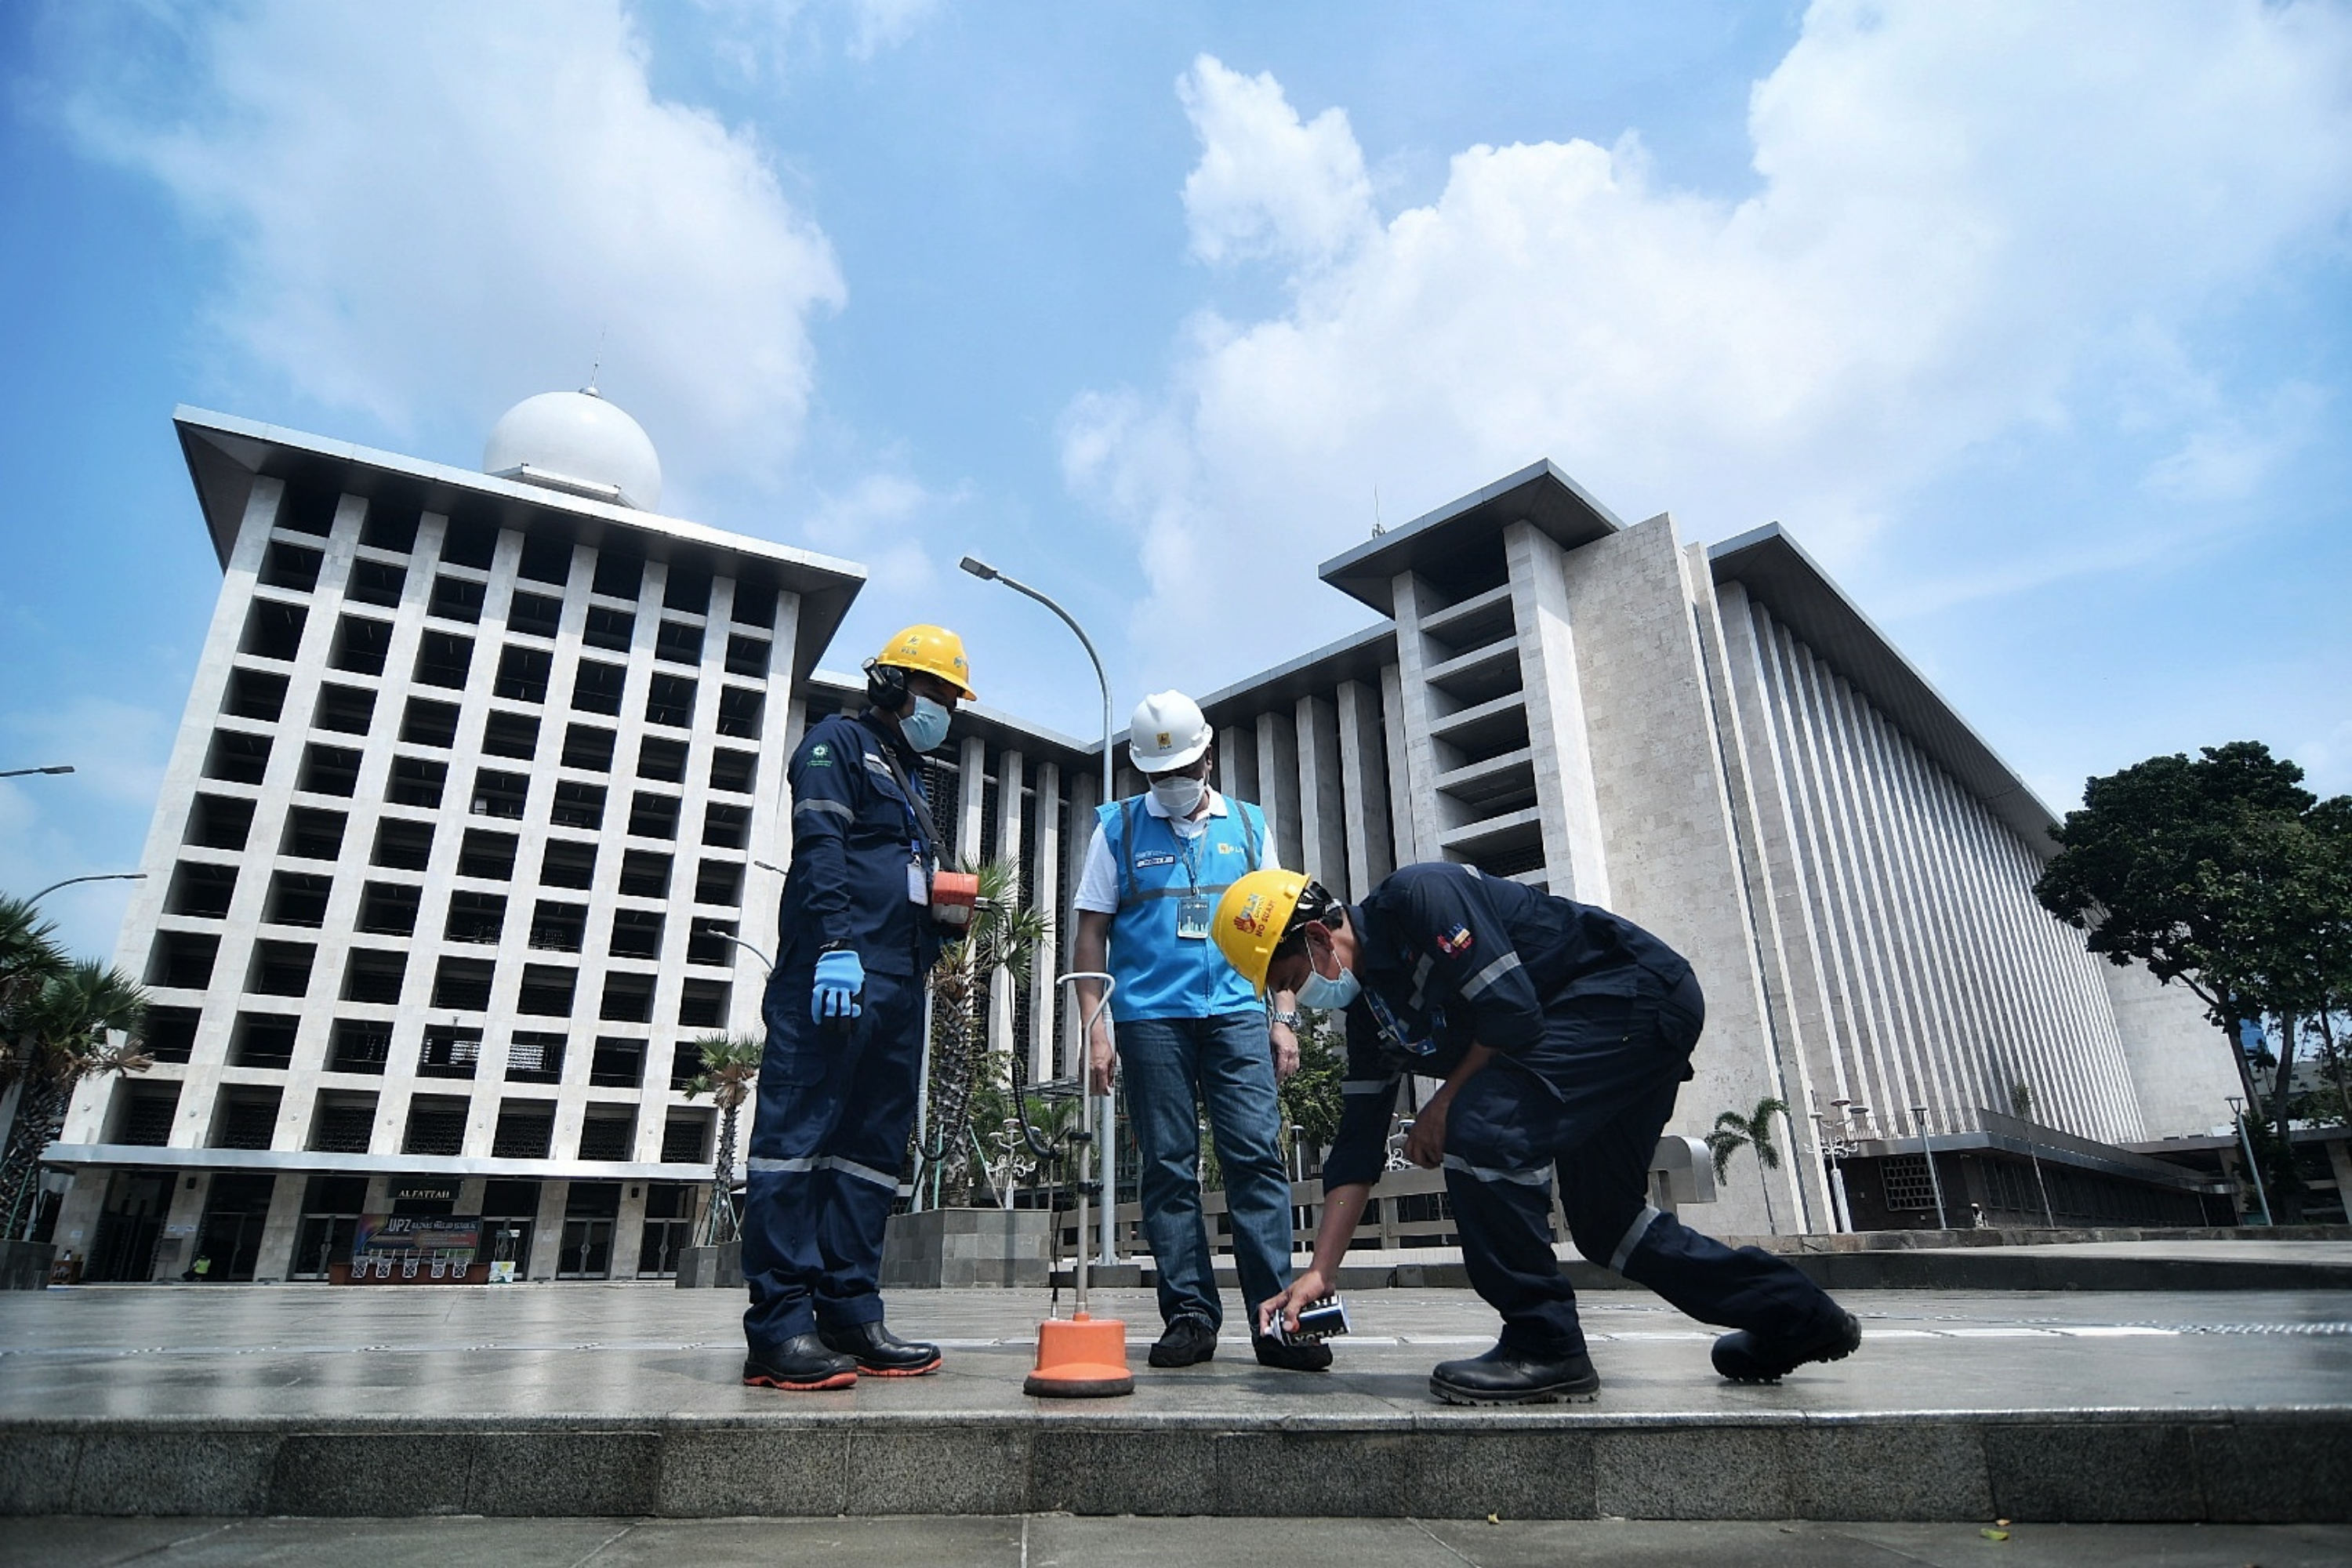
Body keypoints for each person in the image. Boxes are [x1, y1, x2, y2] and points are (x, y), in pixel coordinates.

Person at [1220, 863, 1861, 1404]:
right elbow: (1357, 1147)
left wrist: (1444, 1101)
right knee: (1607, 1224)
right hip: (1596, 1030)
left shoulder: (1421, 899)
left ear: (1315, 935)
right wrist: (1319, 1272)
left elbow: (1513, 1011)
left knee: (1482, 1128)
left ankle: (1544, 1343)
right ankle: (1798, 1317)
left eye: (1291, 980)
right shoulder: (1373, 1014)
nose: (1297, 1000)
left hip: (1630, 996)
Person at [739, 624, 975, 1392]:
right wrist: (837, 940)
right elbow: (822, 851)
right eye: (937, 693)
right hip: (831, 974)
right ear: (892, 685)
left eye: (952, 700)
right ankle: (780, 1326)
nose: (945, 710)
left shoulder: (913, 778)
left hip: (897, 985)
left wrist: (942, 921)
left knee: (869, 1151)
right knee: (798, 1140)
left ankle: (849, 1308)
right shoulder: (834, 745)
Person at [1071, 691, 1326, 1373]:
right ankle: (1189, 1315)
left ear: (1208, 755)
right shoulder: (1117, 829)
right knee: (1167, 1165)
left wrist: (1283, 1014)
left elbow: (1282, 928)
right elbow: (1090, 931)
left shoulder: (1246, 825)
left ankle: (1278, 1319)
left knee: (1256, 1160)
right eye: (1158, 774)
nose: (1170, 783)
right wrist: (1098, 1029)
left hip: (1238, 1015)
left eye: (1181, 767)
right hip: (1151, 1019)